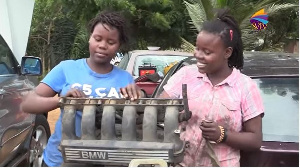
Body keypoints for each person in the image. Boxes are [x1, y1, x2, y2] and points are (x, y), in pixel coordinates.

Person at [21, 11, 143, 167]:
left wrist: (137, 97)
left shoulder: (125, 78)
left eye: (111, 42)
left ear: (119, 46)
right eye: (97, 39)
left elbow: (137, 120)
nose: (102, 45)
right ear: (90, 38)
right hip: (60, 160)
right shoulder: (67, 68)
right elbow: (28, 104)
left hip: (106, 161)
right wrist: (61, 100)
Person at [159, 9, 264, 167]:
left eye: (207, 52)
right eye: (197, 48)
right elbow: (157, 110)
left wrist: (223, 134)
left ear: (227, 52)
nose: (198, 55)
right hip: (180, 163)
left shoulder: (245, 86)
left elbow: (255, 140)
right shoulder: (185, 75)